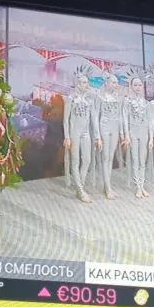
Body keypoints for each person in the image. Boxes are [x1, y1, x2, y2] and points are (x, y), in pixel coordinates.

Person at [63, 64, 97, 203]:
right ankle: (81, 190)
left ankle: (80, 186)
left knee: (87, 159)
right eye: (83, 82)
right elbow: (66, 119)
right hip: (74, 133)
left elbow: (93, 119)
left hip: (86, 133)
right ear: (77, 84)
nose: (86, 85)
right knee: (75, 161)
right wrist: (67, 137)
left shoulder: (89, 99)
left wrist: (97, 136)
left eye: (87, 82)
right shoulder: (71, 98)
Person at [93, 71, 126, 199]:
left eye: (117, 82)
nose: (115, 85)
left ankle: (108, 185)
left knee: (111, 157)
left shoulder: (118, 98)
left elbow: (120, 115)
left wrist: (122, 132)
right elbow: (96, 116)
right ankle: (107, 187)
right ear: (107, 83)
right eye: (113, 82)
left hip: (115, 127)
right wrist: (97, 136)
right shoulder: (100, 97)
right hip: (104, 127)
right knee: (105, 157)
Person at [123, 70, 153, 198]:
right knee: (135, 159)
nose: (138, 87)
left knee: (142, 160)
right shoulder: (127, 101)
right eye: (135, 85)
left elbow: (150, 121)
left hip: (144, 132)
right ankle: (138, 187)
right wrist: (127, 135)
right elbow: (125, 118)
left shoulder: (146, 103)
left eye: (140, 85)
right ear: (131, 86)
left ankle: (142, 185)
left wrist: (151, 138)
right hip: (133, 132)